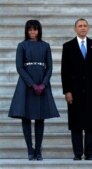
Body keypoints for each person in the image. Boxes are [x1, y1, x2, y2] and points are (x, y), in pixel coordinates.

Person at [9, 20, 59, 161]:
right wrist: (32, 84)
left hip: (42, 83)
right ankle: (30, 150)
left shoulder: (45, 46)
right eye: (30, 30)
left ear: (39, 31)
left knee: (39, 118)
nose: (32, 32)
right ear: (26, 31)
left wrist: (43, 84)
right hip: (26, 85)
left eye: (35, 30)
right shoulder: (22, 45)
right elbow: (19, 67)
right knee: (25, 117)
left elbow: (49, 67)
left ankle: (38, 150)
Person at [61, 18, 92, 161]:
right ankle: (78, 154)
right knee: (76, 124)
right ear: (75, 29)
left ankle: (89, 154)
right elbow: (64, 71)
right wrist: (67, 91)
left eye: (85, 26)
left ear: (88, 28)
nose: (83, 28)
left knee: (91, 124)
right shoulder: (68, 46)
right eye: (80, 26)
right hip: (75, 92)